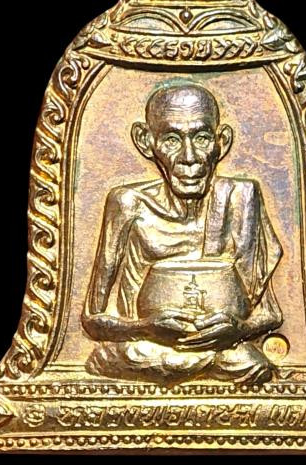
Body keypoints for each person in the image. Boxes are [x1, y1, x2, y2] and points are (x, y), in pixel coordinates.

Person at [81, 83, 283, 384]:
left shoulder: (241, 198)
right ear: (146, 142)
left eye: (201, 138)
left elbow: (271, 315)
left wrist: (238, 330)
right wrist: (145, 328)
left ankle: (196, 365)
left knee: (247, 362)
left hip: (226, 349)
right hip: (147, 346)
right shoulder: (127, 204)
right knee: (122, 355)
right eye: (172, 140)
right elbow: (92, 321)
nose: (190, 157)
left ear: (222, 142)